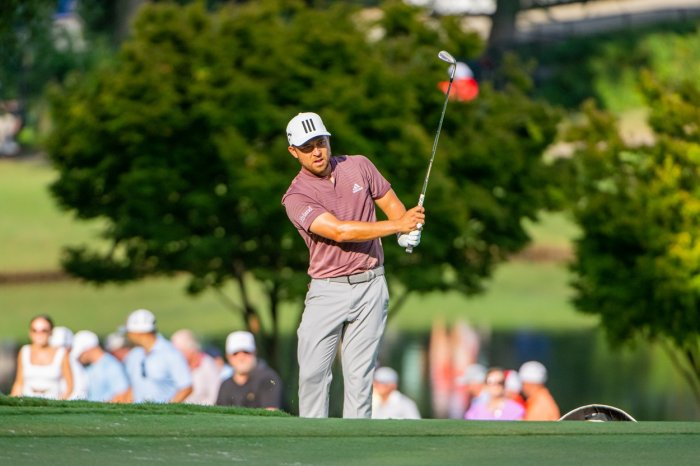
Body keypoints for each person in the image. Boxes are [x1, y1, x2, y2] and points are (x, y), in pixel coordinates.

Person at [281, 112, 425, 418]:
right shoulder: (296, 196)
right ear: (294, 152)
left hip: (371, 284)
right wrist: (397, 226)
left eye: (321, 142)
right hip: (327, 290)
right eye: (308, 147)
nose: (317, 151)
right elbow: (339, 231)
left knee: (360, 378)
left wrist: (407, 231)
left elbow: (390, 203)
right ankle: (313, 445)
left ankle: (354, 449)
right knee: (313, 375)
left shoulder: (359, 165)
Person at [122, 309, 193, 403]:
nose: (128, 336)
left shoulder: (170, 353)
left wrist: (167, 410)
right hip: (138, 415)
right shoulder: (133, 355)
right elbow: (132, 388)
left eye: (129, 332)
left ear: (139, 333)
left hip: (162, 416)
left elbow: (186, 387)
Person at [10, 315, 73, 399]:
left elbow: (69, 386)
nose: (39, 334)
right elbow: (19, 383)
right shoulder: (24, 351)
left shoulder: (61, 353)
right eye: (35, 330)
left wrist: (59, 404)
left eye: (44, 331)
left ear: (51, 332)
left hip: (52, 403)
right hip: (27, 402)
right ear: (30, 333)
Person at [215, 331, 283, 410]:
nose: (241, 358)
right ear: (228, 357)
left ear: (255, 353)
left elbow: (271, 415)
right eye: (235, 353)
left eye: (246, 352)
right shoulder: (226, 385)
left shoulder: (268, 379)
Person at [71, 330, 130, 402]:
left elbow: (122, 394)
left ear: (88, 349)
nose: (79, 357)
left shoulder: (111, 366)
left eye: (81, 354)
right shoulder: (89, 366)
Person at [171, 329, 221, 405]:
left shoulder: (207, 365)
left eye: (180, 351)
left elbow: (214, 395)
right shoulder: (178, 366)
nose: (176, 356)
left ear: (191, 349)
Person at [49, 326, 89, 400]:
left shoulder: (73, 364)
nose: (60, 351)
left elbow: (78, 393)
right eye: (57, 347)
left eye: (63, 347)